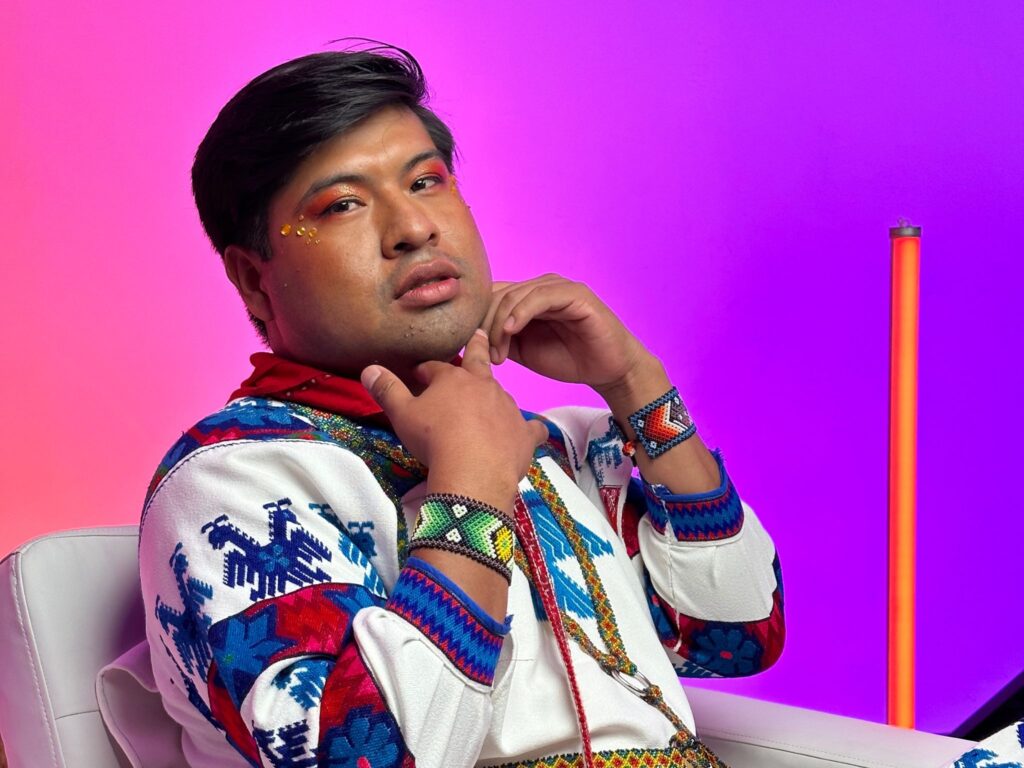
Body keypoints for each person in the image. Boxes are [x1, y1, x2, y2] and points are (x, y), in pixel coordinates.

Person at [139, 45, 785, 768]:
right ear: (255, 281)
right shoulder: (234, 479)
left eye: (427, 181)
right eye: (344, 204)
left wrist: (636, 384)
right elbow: (356, 756)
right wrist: (471, 487)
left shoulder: (551, 444)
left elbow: (735, 636)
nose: (414, 228)